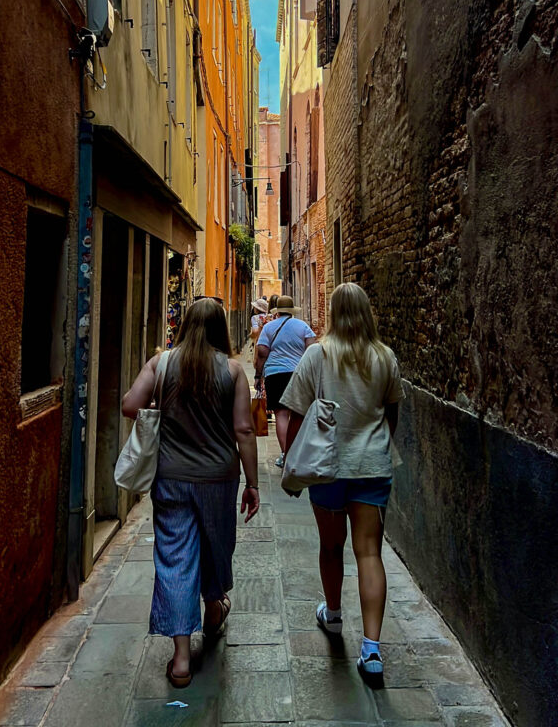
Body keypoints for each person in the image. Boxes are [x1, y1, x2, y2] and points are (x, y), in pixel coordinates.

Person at [121, 299, 259, 688]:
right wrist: (253, 484)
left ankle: (181, 660)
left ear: (185, 325)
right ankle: (213, 608)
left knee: (175, 557)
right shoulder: (233, 371)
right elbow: (244, 431)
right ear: (220, 329)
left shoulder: (161, 364)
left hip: (171, 477)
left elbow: (129, 405)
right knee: (216, 545)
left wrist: (160, 405)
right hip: (218, 478)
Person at [280, 283, 404, 686]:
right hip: (371, 465)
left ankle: (333, 614)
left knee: (331, 547)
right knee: (369, 553)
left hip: (327, 468)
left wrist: (293, 464)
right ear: (367, 312)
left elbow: (294, 414)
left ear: (333, 313)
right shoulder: (385, 358)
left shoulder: (317, 356)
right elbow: (392, 414)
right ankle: (371, 650)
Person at [255, 295, 315, 467]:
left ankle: (285, 454)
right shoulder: (303, 326)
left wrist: (258, 376)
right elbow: (312, 348)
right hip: (298, 373)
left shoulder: (268, 328)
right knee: (298, 413)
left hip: (275, 374)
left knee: (281, 414)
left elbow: (262, 353)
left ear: (277, 311)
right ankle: (298, 453)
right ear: (291, 310)